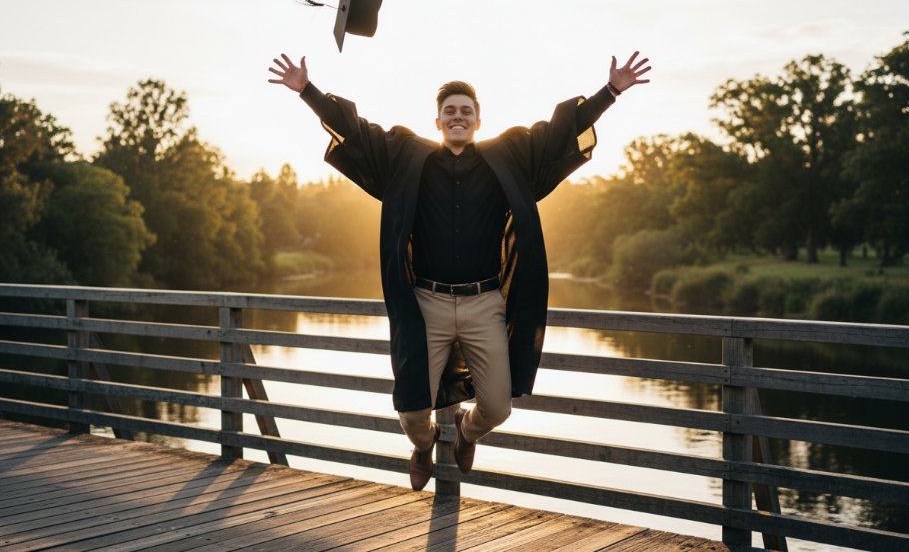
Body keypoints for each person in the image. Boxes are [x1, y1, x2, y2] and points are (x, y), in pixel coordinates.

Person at [267, 52, 651, 491]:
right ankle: (424, 444)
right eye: (449, 111)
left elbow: (559, 131)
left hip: (484, 304)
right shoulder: (408, 159)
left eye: (466, 111)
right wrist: (308, 91)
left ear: (478, 121)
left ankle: (466, 434)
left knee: (498, 408)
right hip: (426, 304)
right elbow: (357, 131)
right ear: (437, 122)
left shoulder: (506, 157)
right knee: (411, 411)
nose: (458, 116)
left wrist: (611, 91)